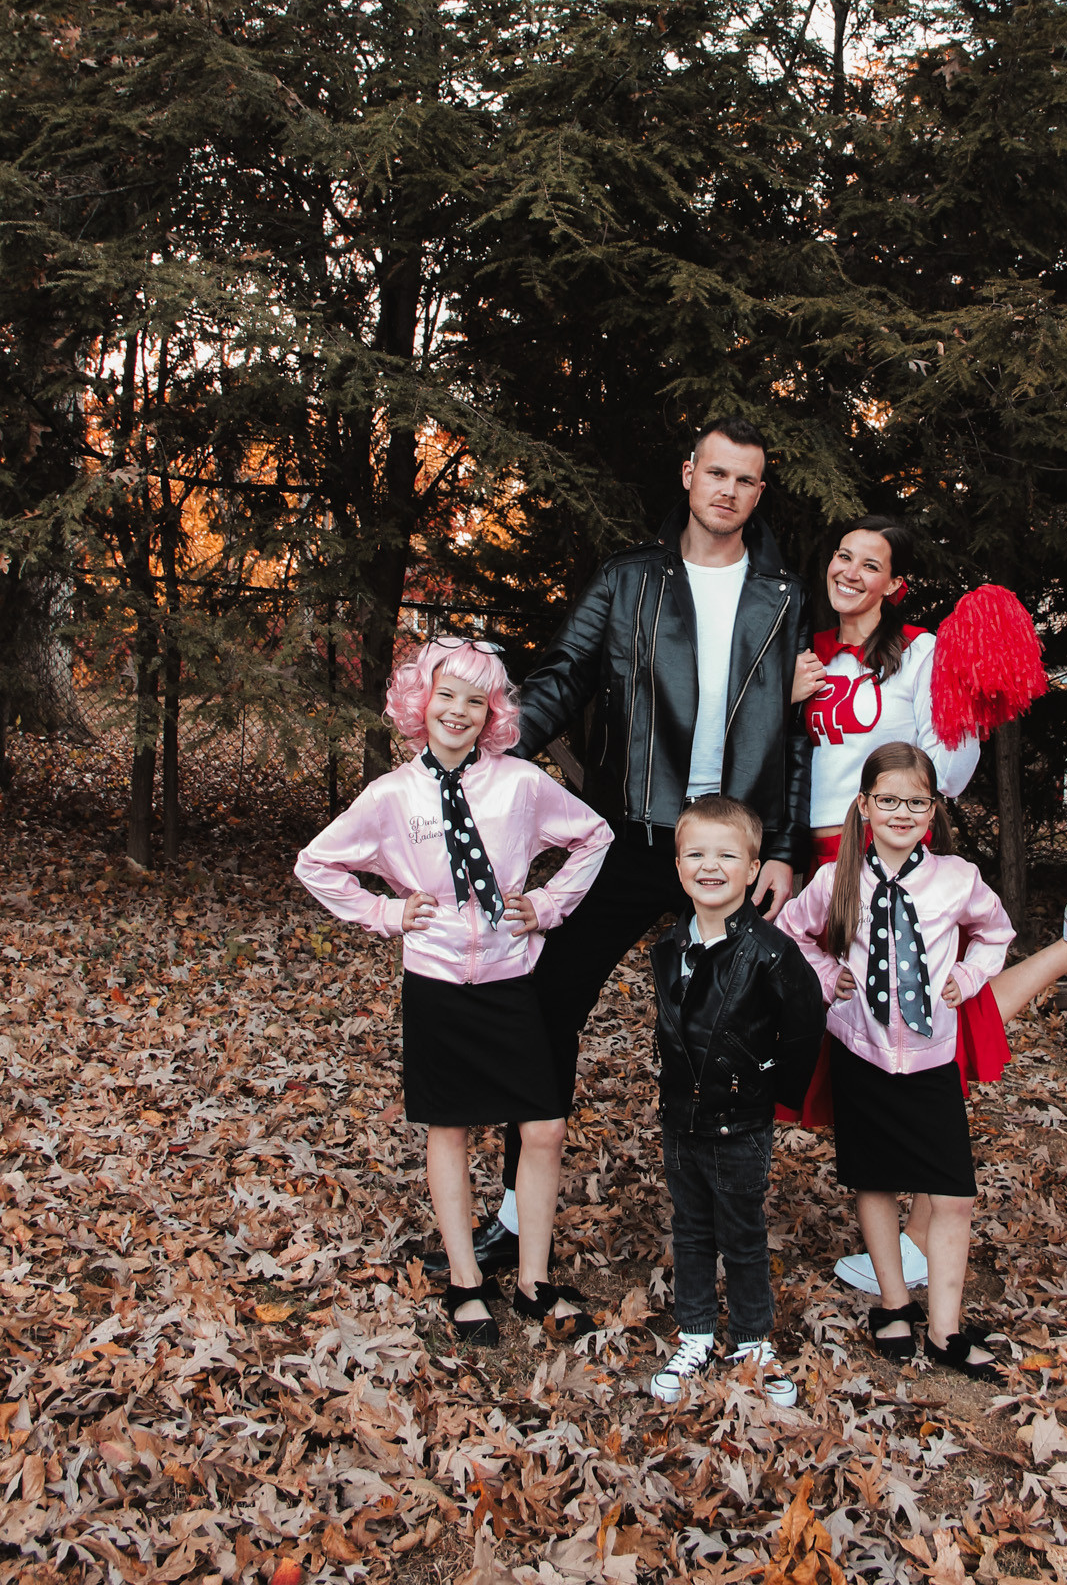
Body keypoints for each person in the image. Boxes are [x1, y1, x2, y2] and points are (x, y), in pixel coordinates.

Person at [789, 516, 1067, 1292]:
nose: (852, 572)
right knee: (891, 1037)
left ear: (894, 586)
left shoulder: (920, 652)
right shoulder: (806, 653)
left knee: (925, 1034)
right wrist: (786, 695)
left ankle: (913, 1240)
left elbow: (949, 760)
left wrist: (901, 828)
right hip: (819, 859)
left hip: (879, 851)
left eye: (872, 565)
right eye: (843, 555)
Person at [474, 416, 813, 1272]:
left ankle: (726, 1224)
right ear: (688, 474)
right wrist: (494, 753)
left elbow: (796, 734)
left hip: (731, 850)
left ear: (757, 493)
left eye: (746, 480)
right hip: (630, 835)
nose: (728, 490)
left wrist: (777, 847)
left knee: (740, 1029)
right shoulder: (629, 580)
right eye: (716, 473)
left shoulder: (781, 595)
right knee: (548, 999)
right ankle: (518, 1208)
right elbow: (562, 675)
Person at [294, 639, 613, 1344]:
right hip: (437, 979)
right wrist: (382, 912)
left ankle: (533, 1280)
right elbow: (317, 863)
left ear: (493, 712)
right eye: (446, 695)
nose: (459, 711)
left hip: (509, 976)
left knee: (545, 1127)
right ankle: (466, 1280)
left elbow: (594, 836)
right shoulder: (391, 796)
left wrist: (551, 903)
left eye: (477, 700)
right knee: (451, 1126)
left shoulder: (521, 784)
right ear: (420, 701)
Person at [781, 741, 1014, 1378]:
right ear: (864, 806)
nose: (902, 812)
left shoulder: (957, 880)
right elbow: (792, 933)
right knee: (873, 1179)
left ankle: (945, 1330)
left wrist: (968, 977)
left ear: (933, 811)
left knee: (953, 1196)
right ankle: (892, 1302)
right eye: (888, 800)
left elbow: (998, 932)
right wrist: (828, 973)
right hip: (861, 1051)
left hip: (931, 1058)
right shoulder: (836, 878)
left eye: (915, 802)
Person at [648, 794, 826, 1407]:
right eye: (695, 853)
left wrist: (768, 1091)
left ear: (753, 869)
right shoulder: (669, 947)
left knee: (742, 1233)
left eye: (727, 855)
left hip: (741, 1123)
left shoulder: (772, 954)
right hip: (681, 1121)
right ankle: (695, 1331)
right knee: (691, 1229)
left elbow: (803, 1027)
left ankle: (752, 1338)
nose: (710, 866)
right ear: (678, 866)